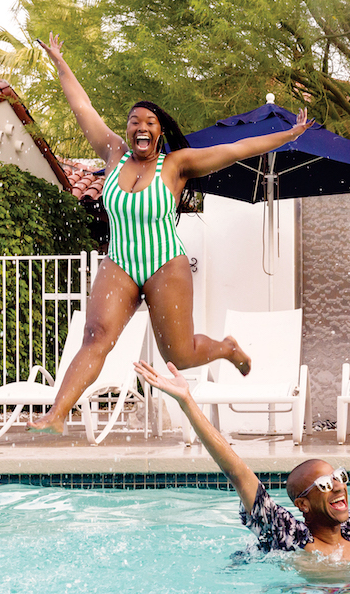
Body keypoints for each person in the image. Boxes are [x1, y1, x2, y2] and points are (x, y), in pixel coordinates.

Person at [27, 34, 313, 435]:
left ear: (159, 131)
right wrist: (59, 60)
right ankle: (56, 415)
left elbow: (237, 148)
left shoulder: (177, 165)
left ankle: (227, 348)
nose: (140, 127)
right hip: (120, 263)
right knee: (95, 336)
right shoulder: (112, 153)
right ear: (127, 129)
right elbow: (82, 107)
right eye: (134, 122)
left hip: (166, 264)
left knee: (179, 353)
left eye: (149, 123)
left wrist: (287, 136)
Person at [134, 360, 350, 563]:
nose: (339, 486)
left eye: (339, 477)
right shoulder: (288, 535)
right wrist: (187, 402)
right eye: (325, 484)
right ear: (304, 504)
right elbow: (237, 471)